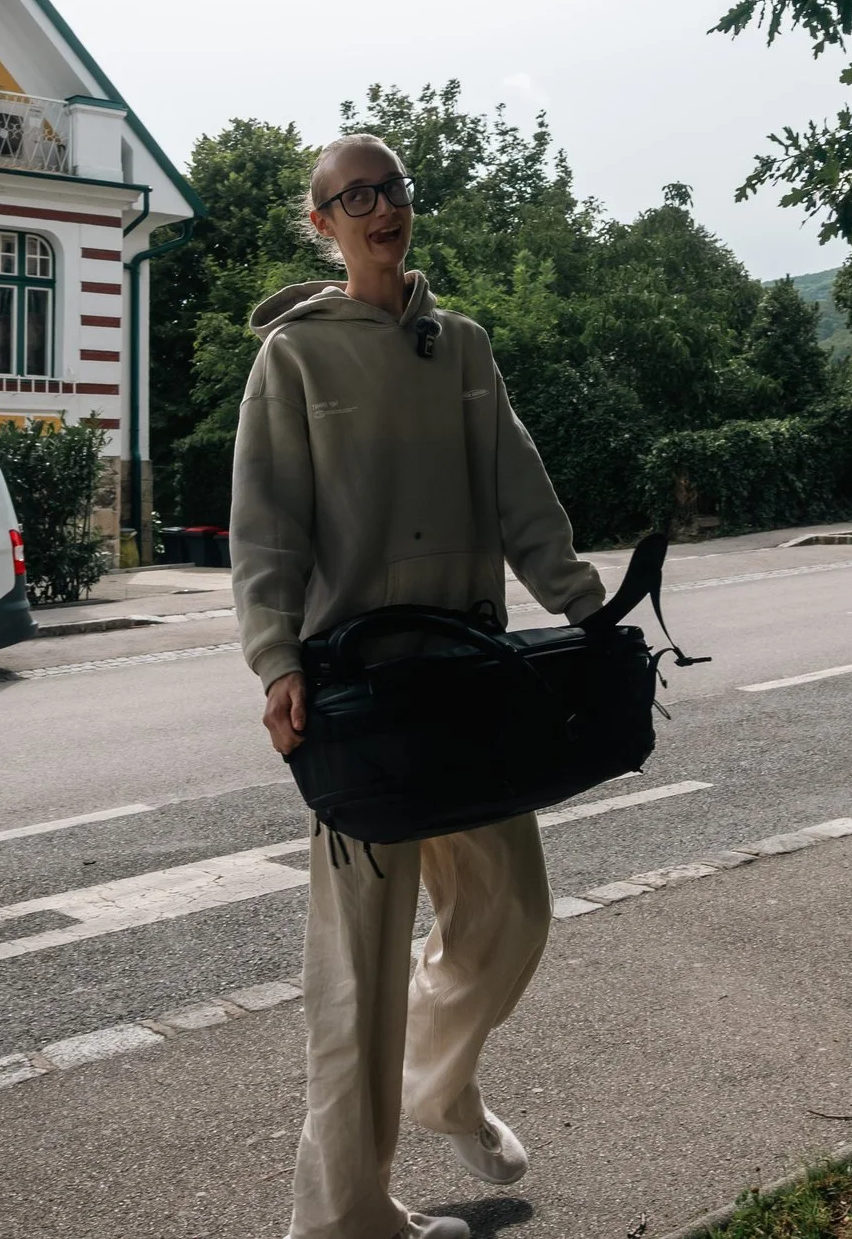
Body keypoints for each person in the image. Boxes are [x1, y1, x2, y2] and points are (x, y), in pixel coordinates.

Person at [232, 131, 606, 1239]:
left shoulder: (464, 348)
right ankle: (342, 1216)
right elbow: (266, 531)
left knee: (514, 915)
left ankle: (441, 1082)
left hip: (467, 687)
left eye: (390, 188)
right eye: (354, 196)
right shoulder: (292, 359)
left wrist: (589, 607)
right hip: (357, 709)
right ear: (322, 223)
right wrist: (274, 659)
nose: (379, 207)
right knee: (355, 976)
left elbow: (520, 495)